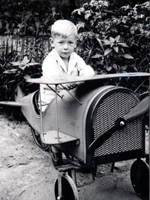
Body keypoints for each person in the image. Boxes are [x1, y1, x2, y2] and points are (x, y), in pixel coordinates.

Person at [39, 19, 95, 166]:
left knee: (79, 118)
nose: (66, 47)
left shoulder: (76, 59)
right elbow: (54, 79)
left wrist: (84, 75)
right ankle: (55, 150)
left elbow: (88, 70)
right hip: (52, 101)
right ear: (52, 42)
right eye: (61, 42)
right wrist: (75, 80)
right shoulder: (50, 61)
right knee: (55, 127)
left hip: (70, 98)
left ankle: (78, 149)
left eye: (70, 43)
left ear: (75, 43)